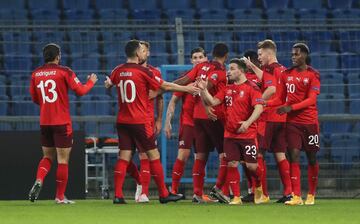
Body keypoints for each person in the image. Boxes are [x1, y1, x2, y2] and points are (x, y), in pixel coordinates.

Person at [104, 40, 199, 204]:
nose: (144, 53)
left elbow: (109, 83)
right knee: (153, 155)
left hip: (122, 121)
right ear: (136, 54)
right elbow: (165, 86)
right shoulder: (143, 71)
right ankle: (163, 193)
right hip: (139, 120)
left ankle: (118, 195)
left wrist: (108, 84)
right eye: (141, 50)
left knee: (124, 157)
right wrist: (187, 89)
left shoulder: (118, 70)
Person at [28, 43, 98, 204]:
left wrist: (48, 106)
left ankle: (39, 179)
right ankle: (59, 197)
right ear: (58, 56)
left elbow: (34, 98)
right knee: (62, 160)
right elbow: (80, 91)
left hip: (45, 122)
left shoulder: (36, 74)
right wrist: (91, 82)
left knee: (47, 157)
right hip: (61, 122)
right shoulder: (64, 71)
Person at [198, 58, 265, 205]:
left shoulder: (252, 87)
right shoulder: (227, 89)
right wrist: (203, 89)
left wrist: (247, 123)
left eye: (232, 68)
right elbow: (213, 102)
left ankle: (259, 185)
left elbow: (259, 108)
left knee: (251, 166)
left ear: (241, 71)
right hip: (229, 134)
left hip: (247, 134)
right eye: (229, 68)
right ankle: (236, 197)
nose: (229, 71)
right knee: (232, 163)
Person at [172, 43, 229, 203]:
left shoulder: (202, 67)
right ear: (226, 56)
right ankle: (219, 189)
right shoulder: (220, 72)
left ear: (210, 54)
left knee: (200, 156)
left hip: (197, 118)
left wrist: (165, 86)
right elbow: (206, 87)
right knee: (225, 154)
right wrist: (207, 105)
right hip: (213, 116)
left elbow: (185, 80)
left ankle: (197, 193)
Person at [267, 43, 321, 205]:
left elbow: (311, 99)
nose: (294, 57)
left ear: (304, 55)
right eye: (292, 54)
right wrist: (264, 103)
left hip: (310, 122)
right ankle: (296, 195)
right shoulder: (286, 74)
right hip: (292, 122)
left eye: (297, 54)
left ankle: (311, 193)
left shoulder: (313, 74)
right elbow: (279, 98)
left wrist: (291, 107)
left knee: (311, 157)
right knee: (293, 155)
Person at [244, 40, 292, 203]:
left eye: (260, 54)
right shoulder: (283, 69)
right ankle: (288, 192)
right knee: (280, 154)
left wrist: (258, 103)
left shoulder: (270, 69)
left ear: (269, 53)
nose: (259, 58)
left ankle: (262, 194)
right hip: (282, 117)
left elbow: (271, 89)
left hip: (268, 117)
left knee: (258, 154)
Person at [164, 47, 207, 195]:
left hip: (204, 125)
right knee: (183, 155)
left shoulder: (210, 79)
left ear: (205, 59)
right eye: (195, 57)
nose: (197, 60)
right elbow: (173, 101)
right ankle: (174, 190)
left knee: (200, 158)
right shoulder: (185, 79)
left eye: (200, 57)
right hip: (188, 123)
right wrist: (167, 121)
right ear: (191, 60)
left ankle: (198, 193)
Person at [134, 41, 165, 203]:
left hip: (146, 120)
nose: (141, 54)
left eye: (144, 51)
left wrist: (159, 119)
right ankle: (141, 184)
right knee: (125, 156)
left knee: (145, 155)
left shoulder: (154, 72)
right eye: (139, 51)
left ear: (148, 53)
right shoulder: (129, 70)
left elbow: (160, 96)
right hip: (130, 119)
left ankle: (144, 192)